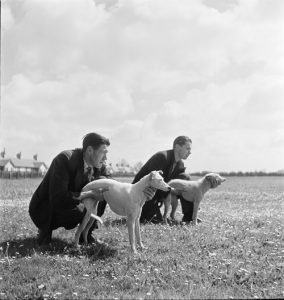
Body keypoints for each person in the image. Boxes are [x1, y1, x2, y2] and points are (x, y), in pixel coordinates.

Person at [29, 132, 111, 245]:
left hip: (73, 200)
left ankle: (86, 235)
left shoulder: (99, 165)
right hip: (45, 207)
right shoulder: (64, 159)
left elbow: (110, 184)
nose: (106, 158)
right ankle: (45, 230)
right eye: (103, 153)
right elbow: (58, 197)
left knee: (104, 193)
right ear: (90, 150)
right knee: (80, 210)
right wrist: (90, 194)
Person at [132, 135, 194, 223]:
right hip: (143, 193)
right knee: (151, 220)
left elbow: (182, 183)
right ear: (177, 147)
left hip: (158, 193)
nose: (190, 152)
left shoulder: (180, 164)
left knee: (186, 179)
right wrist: (169, 191)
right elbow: (152, 181)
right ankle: (146, 214)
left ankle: (189, 217)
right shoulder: (161, 157)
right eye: (188, 148)